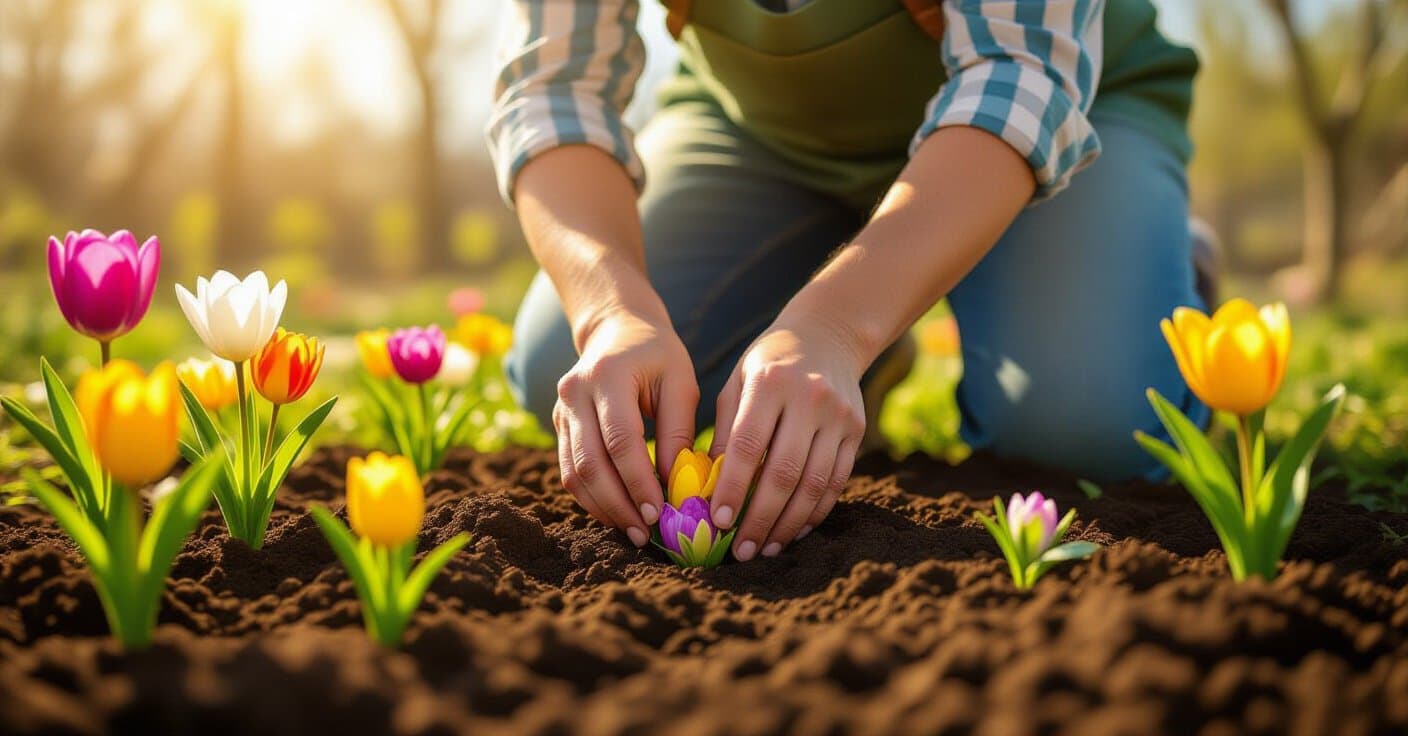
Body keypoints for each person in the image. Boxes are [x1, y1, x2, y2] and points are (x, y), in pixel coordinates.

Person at [488, 0, 1208, 562]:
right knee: (575, 364)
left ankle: (1167, 268)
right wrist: (613, 312)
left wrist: (834, 328)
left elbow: (1019, 75)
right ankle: (868, 342)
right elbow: (552, 88)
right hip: (763, 133)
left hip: (1064, 115)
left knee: (1087, 425)